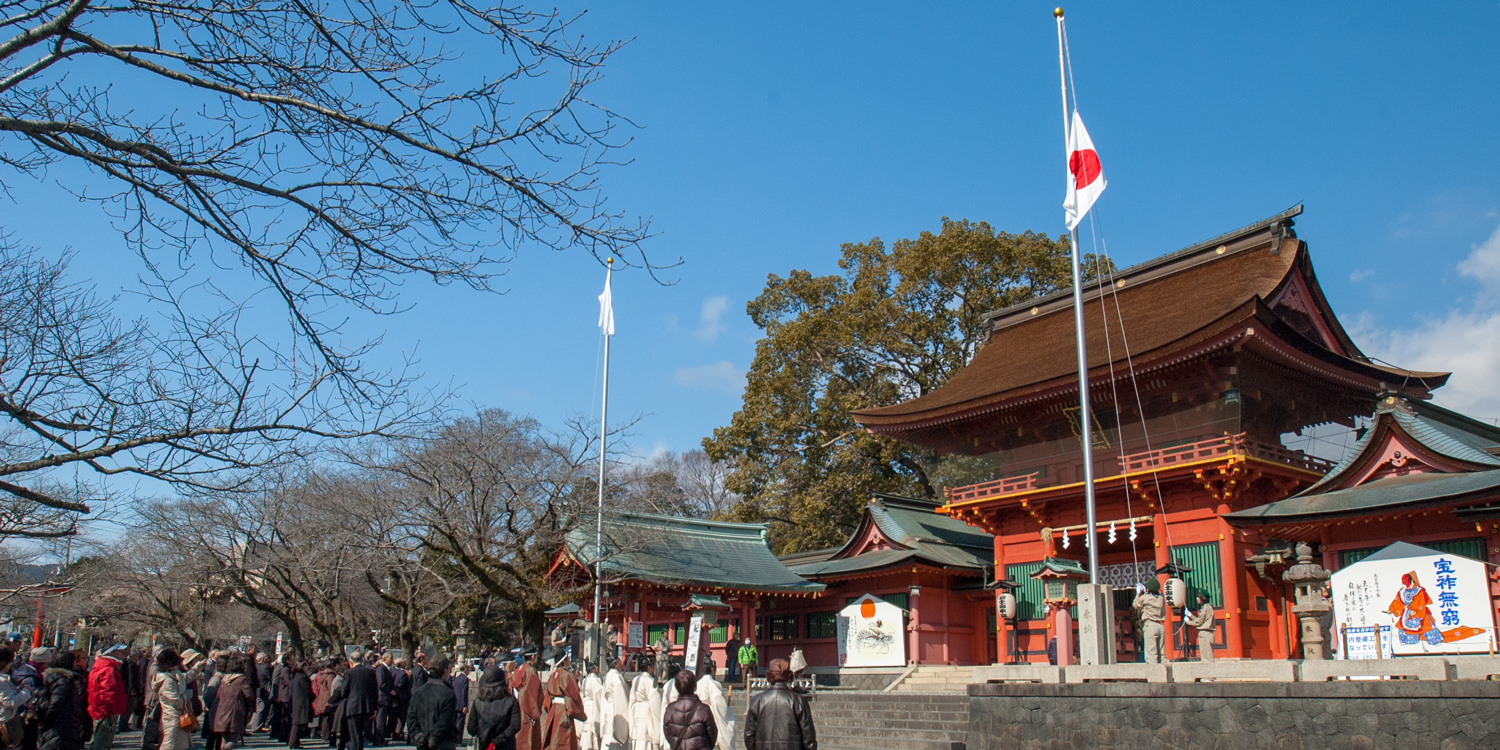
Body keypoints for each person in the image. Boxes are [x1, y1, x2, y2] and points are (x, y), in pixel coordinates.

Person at [742, 659, 814, 750]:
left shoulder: (757, 701)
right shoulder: (798, 701)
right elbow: (809, 738)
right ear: (789, 676)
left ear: (769, 676)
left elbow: (749, 735)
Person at [405, 655, 457, 750]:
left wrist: (419, 737)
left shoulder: (418, 692)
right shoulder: (448, 694)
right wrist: (432, 740)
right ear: (445, 671)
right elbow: (444, 722)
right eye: (449, 669)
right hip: (442, 743)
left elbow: (411, 718)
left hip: (423, 743)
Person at [36, 650, 84, 750]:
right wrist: (48, 720)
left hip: (59, 724)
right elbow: (56, 703)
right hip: (61, 724)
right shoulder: (63, 680)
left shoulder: (51, 677)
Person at [466, 665, 520, 750]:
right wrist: (498, 739)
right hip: (506, 745)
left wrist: (483, 734)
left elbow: (471, 728)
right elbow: (515, 726)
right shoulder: (511, 701)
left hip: (484, 745)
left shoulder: (478, 702)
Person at [85, 645, 127, 750]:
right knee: (103, 742)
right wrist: (112, 711)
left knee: (98, 740)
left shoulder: (102, 666)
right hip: (106, 712)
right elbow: (108, 693)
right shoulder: (108, 669)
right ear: (111, 653)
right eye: (119, 652)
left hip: (100, 710)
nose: (123, 654)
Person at [539, 653, 584, 750]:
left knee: (553, 739)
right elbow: (574, 694)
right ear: (564, 661)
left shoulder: (553, 675)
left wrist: (550, 709)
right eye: (568, 659)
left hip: (554, 710)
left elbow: (547, 696)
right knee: (564, 738)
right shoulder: (567, 675)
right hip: (564, 709)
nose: (569, 661)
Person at [660, 670, 715, 750]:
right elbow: (712, 735)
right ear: (695, 686)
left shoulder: (670, 709)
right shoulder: (704, 709)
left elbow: (667, 733)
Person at [150, 650, 193, 750]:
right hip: (173, 720)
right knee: (170, 746)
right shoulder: (167, 681)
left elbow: (186, 677)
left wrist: (198, 667)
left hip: (179, 718)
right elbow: (177, 702)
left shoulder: (174, 675)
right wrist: (187, 695)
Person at [211, 655, 254, 750]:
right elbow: (249, 695)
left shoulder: (224, 679)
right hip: (235, 713)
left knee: (224, 739)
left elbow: (218, 695)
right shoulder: (241, 680)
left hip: (221, 712)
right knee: (233, 740)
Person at [338, 653, 378, 750]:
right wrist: (375, 708)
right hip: (366, 707)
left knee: (353, 734)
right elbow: (375, 692)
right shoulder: (371, 672)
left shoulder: (349, 673)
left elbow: (344, 691)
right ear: (361, 660)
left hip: (353, 706)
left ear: (351, 661)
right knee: (360, 733)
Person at [2, 647, 35, 749]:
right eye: (10, 661)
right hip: (4, 722)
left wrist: (18, 690)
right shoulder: (2, 681)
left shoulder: (4, 679)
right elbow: (10, 702)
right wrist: (26, 692)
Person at [693, 662, 732, 750]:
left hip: (698, 722)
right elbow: (720, 706)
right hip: (712, 721)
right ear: (712, 670)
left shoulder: (697, 684)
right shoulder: (715, 684)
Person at [511, 649, 542, 750]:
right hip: (527, 707)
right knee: (528, 738)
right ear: (532, 657)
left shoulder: (518, 669)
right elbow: (533, 692)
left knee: (519, 738)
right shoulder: (531, 670)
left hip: (516, 705)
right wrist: (534, 712)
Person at [1132, 579, 1167, 664]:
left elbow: (1135, 605)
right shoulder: (1161, 598)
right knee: (1161, 654)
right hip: (1160, 626)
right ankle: (1165, 674)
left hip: (1150, 625)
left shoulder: (1145, 597)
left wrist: (1138, 594)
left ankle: (1154, 675)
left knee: (1152, 654)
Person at [595, 659, 627, 750]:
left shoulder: (607, 676)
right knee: (614, 732)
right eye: (619, 662)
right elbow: (621, 696)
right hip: (615, 705)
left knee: (608, 731)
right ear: (615, 664)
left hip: (608, 706)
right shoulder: (616, 677)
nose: (621, 664)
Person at [624, 670, 659, 750]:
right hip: (646, 711)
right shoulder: (650, 681)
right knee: (645, 739)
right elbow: (655, 702)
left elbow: (632, 699)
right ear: (649, 667)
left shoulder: (635, 680)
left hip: (637, 710)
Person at [288, 658, 313, 749]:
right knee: (297, 724)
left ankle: (295, 742)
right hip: (301, 702)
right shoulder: (302, 677)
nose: (308, 667)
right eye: (306, 666)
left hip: (298, 701)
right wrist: (312, 696)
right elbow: (307, 690)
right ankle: (293, 743)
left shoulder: (297, 676)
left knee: (298, 723)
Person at [1184, 592, 1216, 663]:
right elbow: (1199, 619)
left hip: (1206, 633)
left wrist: (1188, 621)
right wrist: (1190, 615)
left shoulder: (1206, 608)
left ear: (1203, 598)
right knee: (1205, 657)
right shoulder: (1205, 607)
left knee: (1207, 658)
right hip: (1204, 633)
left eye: (1198, 597)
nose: (1197, 598)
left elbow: (1199, 622)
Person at [576, 663, 600, 750]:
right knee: (592, 733)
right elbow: (598, 696)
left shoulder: (585, 680)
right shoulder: (596, 680)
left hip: (586, 707)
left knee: (586, 731)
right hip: (593, 708)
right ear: (594, 668)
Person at [372, 654, 392, 748]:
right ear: (385, 659)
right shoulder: (381, 669)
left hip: (385, 698)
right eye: (390, 658)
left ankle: (381, 738)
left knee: (383, 720)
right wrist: (390, 690)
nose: (391, 660)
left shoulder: (386, 669)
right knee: (380, 720)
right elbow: (381, 683)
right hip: (382, 697)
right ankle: (378, 739)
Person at [272, 655, 293, 742]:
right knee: (285, 717)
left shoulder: (286, 669)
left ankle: (283, 735)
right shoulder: (285, 670)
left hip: (284, 696)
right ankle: (283, 735)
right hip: (285, 696)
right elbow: (289, 682)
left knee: (285, 717)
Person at [389, 660, 410, 742]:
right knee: (401, 717)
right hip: (401, 698)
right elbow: (400, 685)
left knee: (393, 716)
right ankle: (398, 732)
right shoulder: (402, 674)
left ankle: (392, 732)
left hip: (394, 698)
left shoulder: (392, 671)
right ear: (401, 664)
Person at [448, 663, 468, 742]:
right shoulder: (465, 679)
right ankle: (458, 739)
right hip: (461, 704)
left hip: (456, 702)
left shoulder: (457, 678)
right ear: (465, 669)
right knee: (460, 722)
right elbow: (464, 692)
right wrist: (465, 705)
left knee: (455, 721)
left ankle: (454, 737)